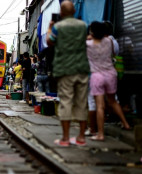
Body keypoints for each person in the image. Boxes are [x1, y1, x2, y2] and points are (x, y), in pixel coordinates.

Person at [47, 0, 90, 146]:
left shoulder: (58, 27)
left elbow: (50, 42)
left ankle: (65, 138)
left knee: (65, 102)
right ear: (74, 11)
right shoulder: (83, 25)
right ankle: (81, 138)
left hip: (65, 69)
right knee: (82, 103)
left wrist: (49, 29)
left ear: (61, 12)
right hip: (82, 68)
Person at [86, 21, 130, 141]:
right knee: (113, 101)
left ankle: (100, 134)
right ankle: (125, 124)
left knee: (100, 106)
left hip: (97, 76)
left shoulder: (88, 44)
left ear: (92, 32)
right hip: (111, 74)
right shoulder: (109, 41)